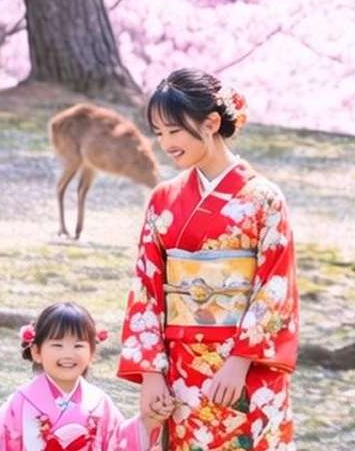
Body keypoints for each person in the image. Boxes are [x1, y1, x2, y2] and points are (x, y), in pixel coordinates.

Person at [118, 69, 299, 449]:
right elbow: (146, 288)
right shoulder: (163, 199)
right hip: (182, 368)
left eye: (174, 131)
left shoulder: (263, 197)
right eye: (159, 133)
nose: (166, 143)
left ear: (211, 122)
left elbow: (275, 288)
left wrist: (240, 361)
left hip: (246, 368)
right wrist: (151, 372)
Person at [0, 302, 142, 451]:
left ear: (91, 353)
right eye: (57, 345)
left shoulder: (99, 403)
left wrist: (148, 421)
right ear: (36, 352)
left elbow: (120, 443)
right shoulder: (21, 402)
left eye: (78, 345)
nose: (68, 354)